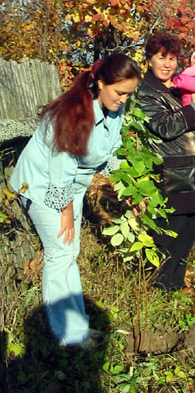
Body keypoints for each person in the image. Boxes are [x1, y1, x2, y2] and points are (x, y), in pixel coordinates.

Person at [9, 53, 141, 348]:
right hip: (42, 185)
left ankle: (77, 328)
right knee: (60, 254)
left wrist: (133, 190)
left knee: (71, 252)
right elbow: (60, 169)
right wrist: (66, 211)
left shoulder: (114, 111)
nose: (123, 100)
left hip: (72, 187)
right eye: (120, 92)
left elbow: (111, 156)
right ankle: (65, 335)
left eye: (128, 95)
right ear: (102, 82)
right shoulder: (74, 112)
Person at [136, 32, 195, 291]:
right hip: (171, 166)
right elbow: (163, 127)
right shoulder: (146, 90)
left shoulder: (179, 84)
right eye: (161, 57)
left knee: (191, 225)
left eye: (173, 58)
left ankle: (175, 281)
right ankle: (158, 283)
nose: (168, 64)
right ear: (149, 60)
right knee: (170, 227)